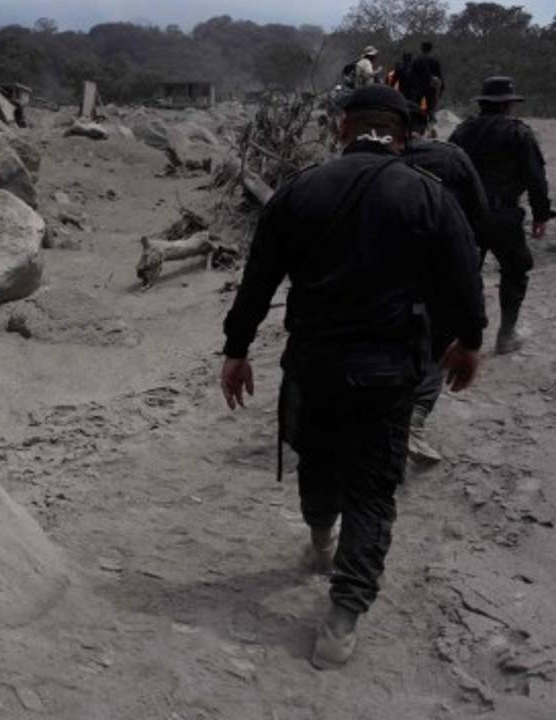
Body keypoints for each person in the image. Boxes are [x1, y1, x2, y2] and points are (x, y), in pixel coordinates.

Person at [220, 85, 485, 670]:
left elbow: (257, 282)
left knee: (316, 460)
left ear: (342, 130)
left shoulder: (298, 191)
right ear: (404, 134)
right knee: (372, 490)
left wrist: (236, 351)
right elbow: (464, 278)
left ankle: (319, 541)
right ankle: (342, 618)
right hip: (388, 372)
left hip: (312, 364)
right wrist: (469, 342)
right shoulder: (428, 196)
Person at [404, 101, 492, 462]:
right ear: (427, 127)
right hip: (437, 273)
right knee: (436, 346)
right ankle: (414, 420)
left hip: (374, 275)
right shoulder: (451, 158)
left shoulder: (360, 162)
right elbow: (479, 217)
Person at [449, 76, 552, 353]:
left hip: (466, 214)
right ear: (508, 105)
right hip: (503, 215)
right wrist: (541, 215)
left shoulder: (462, 131)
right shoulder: (519, 133)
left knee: (465, 274)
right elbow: (535, 178)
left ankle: (461, 335)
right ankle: (506, 335)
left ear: (482, 103)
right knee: (516, 271)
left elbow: (447, 170)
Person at [407, 41, 443, 127]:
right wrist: (440, 88)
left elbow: (411, 74)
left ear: (421, 48)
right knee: (431, 106)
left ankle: (416, 123)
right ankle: (430, 124)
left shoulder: (416, 60)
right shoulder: (434, 60)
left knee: (416, 105)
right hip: (431, 87)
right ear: (431, 49)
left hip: (418, 87)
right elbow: (438, 75)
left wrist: (413, 85)